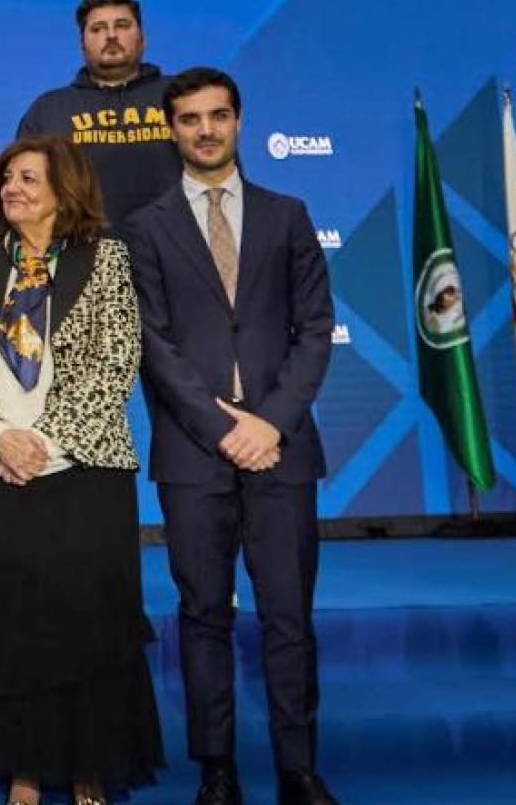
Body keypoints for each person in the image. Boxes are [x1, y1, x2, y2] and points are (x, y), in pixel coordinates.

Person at [125, 67, 339, 805]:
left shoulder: (289, 213)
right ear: (171, 128)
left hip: (282, 449)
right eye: (189, 119)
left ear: (240, 121)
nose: (205, 130)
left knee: (288, 616)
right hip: (194, 454)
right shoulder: (146, 228)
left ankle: (297, 768)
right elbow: (154, 344)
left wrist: (269, 423)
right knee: (203, 615)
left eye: (218, 116)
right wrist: (225, 428)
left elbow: (314, 331)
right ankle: (216, 767)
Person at [0, 135, 162, 805]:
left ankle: (89, 767)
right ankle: (23, 771)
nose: (13, 189)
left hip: (82, 470)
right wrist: (0, 437)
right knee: (8, 627)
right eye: (7, 179)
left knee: (86, 624)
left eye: (29, 179)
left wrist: (45, 444)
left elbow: (115, 360)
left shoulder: (106, 259)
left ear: (65, 188)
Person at [16, 0, 181, 225]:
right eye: (98, 29)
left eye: (122, 25)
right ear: (82, 44)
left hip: (174, 252)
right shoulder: (49, 110)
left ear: (142, 38)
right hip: (81, 254)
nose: (111, 35)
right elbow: (24, 194)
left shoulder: (181, 96)